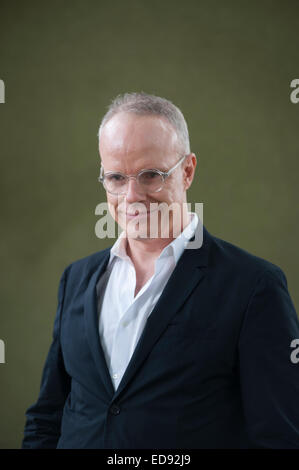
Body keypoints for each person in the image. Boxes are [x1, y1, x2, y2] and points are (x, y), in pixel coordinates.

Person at [22, 92, 299, 449]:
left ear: (187, 171)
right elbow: (48, 417)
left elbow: (281, 438)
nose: (132, 195)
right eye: (116, 178)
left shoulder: (253, 286)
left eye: (151, 175)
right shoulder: (76, 280)